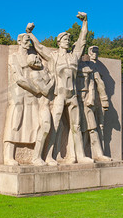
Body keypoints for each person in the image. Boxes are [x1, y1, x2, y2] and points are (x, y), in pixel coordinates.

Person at [29, 12, 93, 164]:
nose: (67, 41)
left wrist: (85, 22)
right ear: (59, 42)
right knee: (55, 126)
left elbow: (82, 40)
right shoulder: (53, 56)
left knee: (76, 126)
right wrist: (30, 34)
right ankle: (50, 156)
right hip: (59, 96)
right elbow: (38, 47)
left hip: (73, 96)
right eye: (64, 39)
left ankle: (79, 156)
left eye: (68, 39)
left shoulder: (74, 56)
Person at [3, 33, 45, 165]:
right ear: (19, 41)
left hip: (31, 95)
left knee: (33, 123)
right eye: (27, 40)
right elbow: (19, 78)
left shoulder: (32, 57)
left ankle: (33, 155)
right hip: (18, 93)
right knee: (15, 122)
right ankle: (8, 156)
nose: (28, 43)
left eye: (29, 41)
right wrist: (36, 89)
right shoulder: (13, 57)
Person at [76, 46, 112, 161]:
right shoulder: (71, 65)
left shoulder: (89, 66)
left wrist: (102, 99)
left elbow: (96, 82)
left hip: (86, 100)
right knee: (81, 129)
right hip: (75, 101)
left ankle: (97, 154)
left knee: (92, 127)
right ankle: (83, 155)